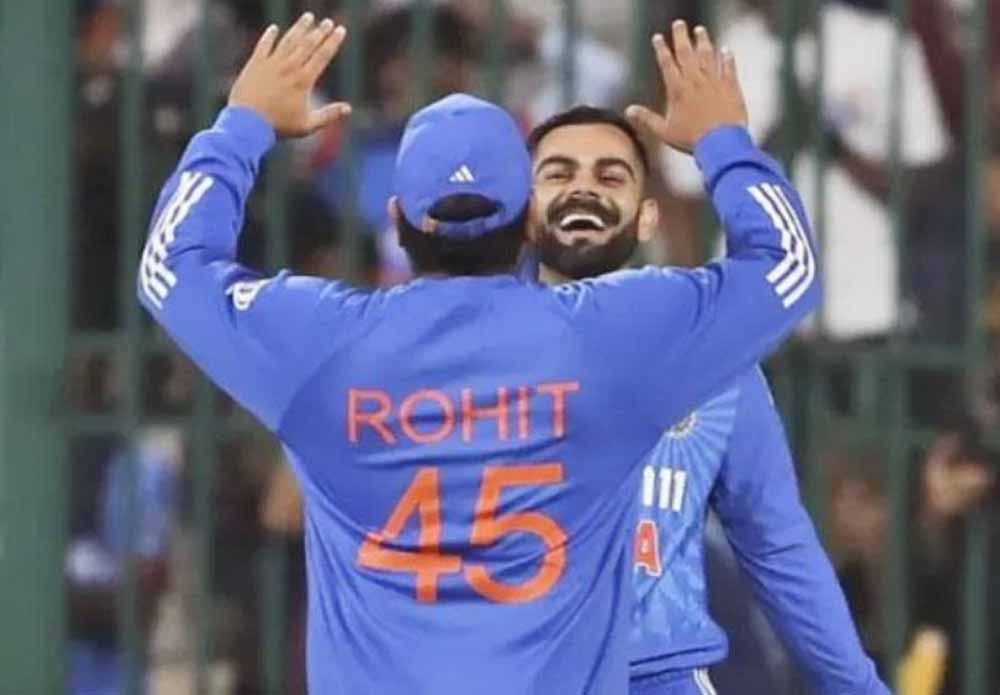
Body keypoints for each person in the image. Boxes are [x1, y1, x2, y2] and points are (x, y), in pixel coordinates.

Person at [137, 14, 819, 694]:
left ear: (398, 220)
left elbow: (169, 268)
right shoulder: (614, 336)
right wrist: (722, 142)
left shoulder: (321, 342)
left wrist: (241, 127)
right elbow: (787, 266)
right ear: (529, 221)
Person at [525, 104, 889, 695]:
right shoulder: (463, 345)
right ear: (523, 211)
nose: (584, 188)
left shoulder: (711, 351)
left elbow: (775, 541)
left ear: (647, 218)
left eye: (611, 175)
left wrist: (859, 688)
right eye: (559, 173)